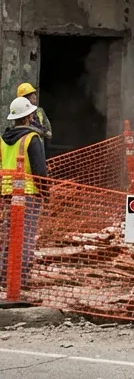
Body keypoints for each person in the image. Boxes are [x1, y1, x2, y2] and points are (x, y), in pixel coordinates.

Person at [0, 97, 47, 291]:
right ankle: (21, 279)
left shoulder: (3, 139)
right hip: (28, 195)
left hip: (7, 193)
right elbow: (39, 170)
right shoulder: (31, 138)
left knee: (9, 235)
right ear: (27, 117)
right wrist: (45, 193)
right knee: (26, 237)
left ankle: (5, 276)